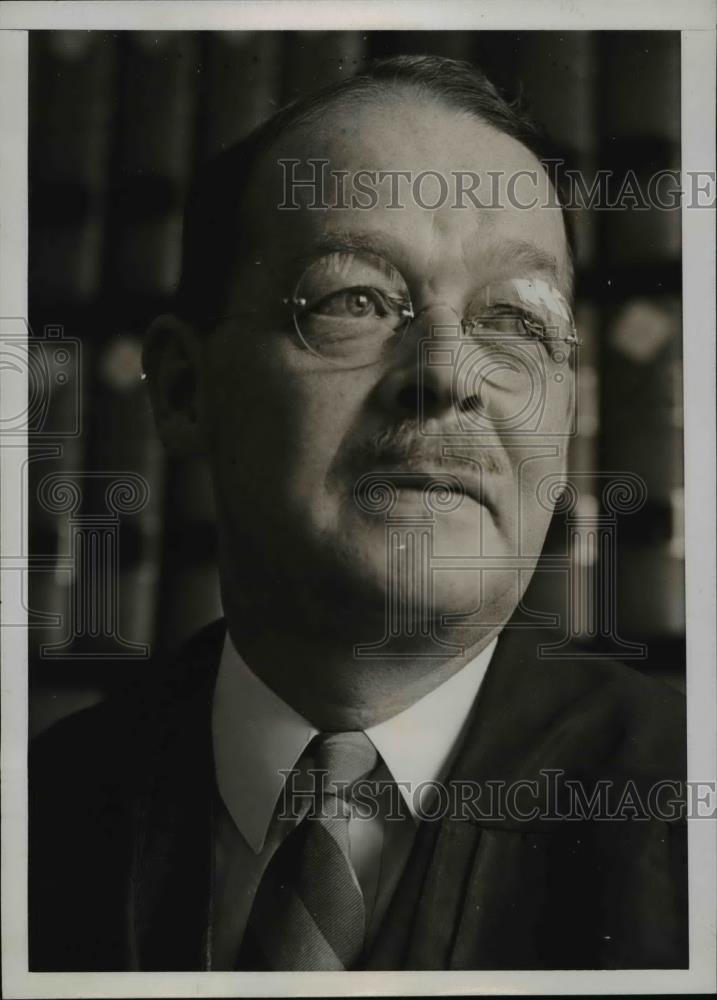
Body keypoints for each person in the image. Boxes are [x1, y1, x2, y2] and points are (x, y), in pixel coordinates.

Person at [29, 55, 687, 972]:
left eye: (517, 322)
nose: (449, 376)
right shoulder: (38, 815)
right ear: (183, 391)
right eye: (358, 300)